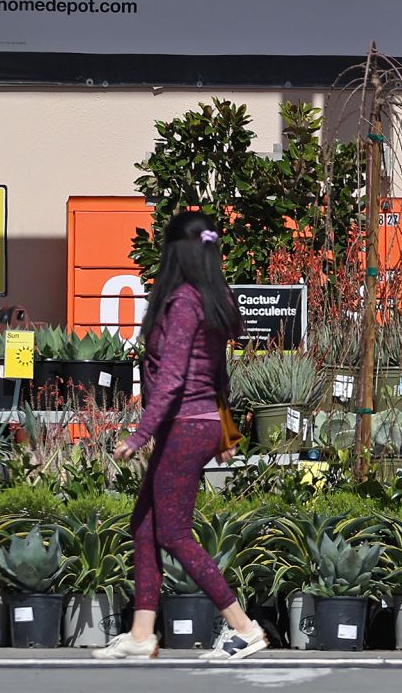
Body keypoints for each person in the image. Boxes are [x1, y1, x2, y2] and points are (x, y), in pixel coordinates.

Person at [95, 211, 269, 661]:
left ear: (174, 252)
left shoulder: (184, 301)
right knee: (146, 525)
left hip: (184, 425)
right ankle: (141, 634)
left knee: (173, 532)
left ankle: (243, 627)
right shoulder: (213, 298)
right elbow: (219, 374)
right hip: (203, 422)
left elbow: (172, 378)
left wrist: (139, 435)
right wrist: (228, 433)